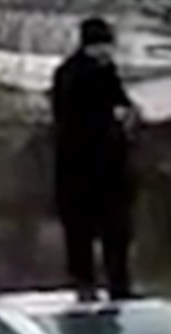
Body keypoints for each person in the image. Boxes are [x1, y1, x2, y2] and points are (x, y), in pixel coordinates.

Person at [50, 17, 139, 301]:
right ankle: (87, 286)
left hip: (107, 172)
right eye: (104, 46)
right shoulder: (73, 75)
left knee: (115, 233)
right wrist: (114, 123)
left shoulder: (105, 72)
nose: (107, 52)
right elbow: (71, 120)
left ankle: (115, 285)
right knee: (83, 233)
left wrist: (126, 116)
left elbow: (122, 103)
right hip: (82, 172)